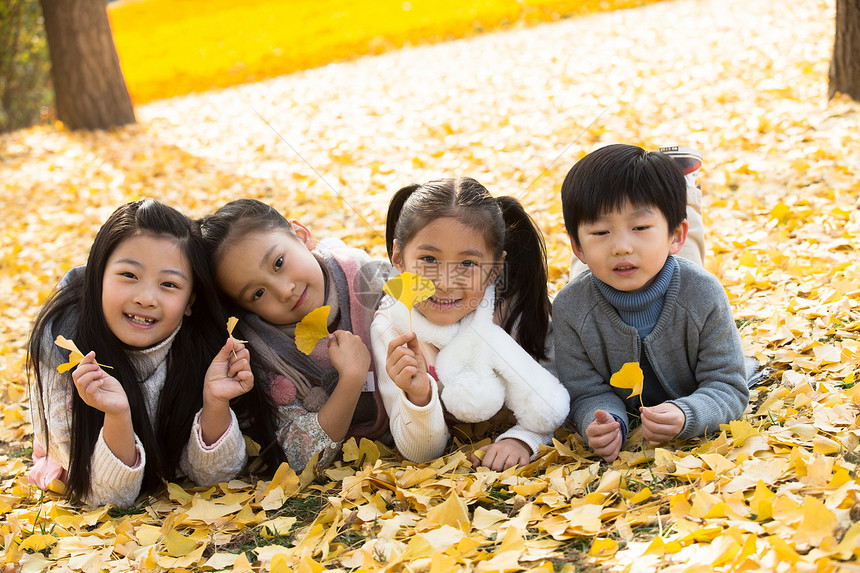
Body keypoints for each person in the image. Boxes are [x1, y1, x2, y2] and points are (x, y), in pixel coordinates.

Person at [28, 199, 253, 508]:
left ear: (190, 301)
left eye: (169, 284)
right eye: (129, 276)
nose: (146, 298)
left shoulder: (205, 348)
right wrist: (117, 416)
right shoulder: (62, 353)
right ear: (98, 278)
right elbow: (109, 497)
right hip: (90, 470)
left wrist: (215, 402)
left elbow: (217, 477)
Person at [553, 144, 750, 463]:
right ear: (575, 245)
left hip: (676, 269)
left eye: (640, 227)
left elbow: (728, 386)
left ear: (675, 234)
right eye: (600, 231)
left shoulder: (703, 294)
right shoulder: (569, 309)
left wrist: (689, 413)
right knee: (590, 276)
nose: (621, 247)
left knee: (689, 258)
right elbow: (585, 390)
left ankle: (685, 184)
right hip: (594, 280)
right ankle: (615, 237)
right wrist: (602, 421)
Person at [372, 178, 570, 471]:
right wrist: (419, 396)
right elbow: (419, 454)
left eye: (467, 263)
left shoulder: (511, 309)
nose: (446, 282)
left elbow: (551, 395)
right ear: (398, 258)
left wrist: (523, 438)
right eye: (429, 259)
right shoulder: (392, 329)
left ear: (494, 270)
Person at [198, 199, 391, 473]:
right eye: (258, 294)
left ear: (302, 236)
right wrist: (350, 379)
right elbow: (300, 456)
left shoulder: (369, 281)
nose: (284, 290)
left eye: (278, 263)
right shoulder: (266, 355)